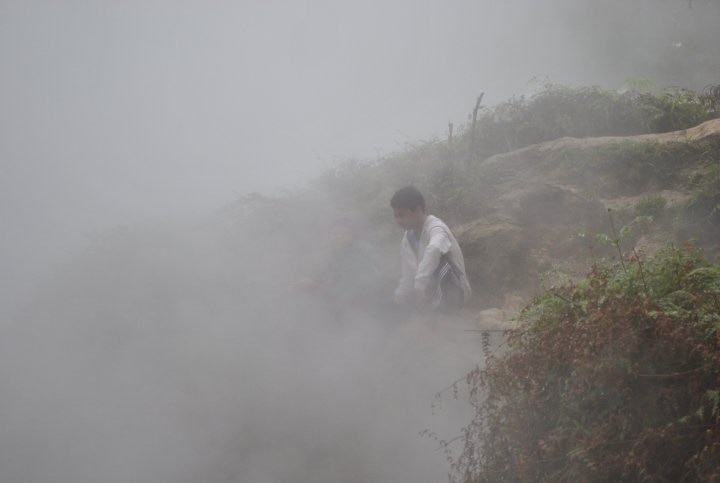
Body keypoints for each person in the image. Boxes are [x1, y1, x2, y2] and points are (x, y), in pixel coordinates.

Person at [390, 186, 471, 313]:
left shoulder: (436, 228)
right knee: (393, 302)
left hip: (453, 293)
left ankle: (444, 313)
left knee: (441, 263)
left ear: (417, 210)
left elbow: (435, 248)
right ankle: (426, 313)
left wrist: (420, 284)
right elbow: (408, 274)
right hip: (427, 294)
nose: (398, 221)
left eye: (402, 215)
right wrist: (400, 293)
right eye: (396, 216)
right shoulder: (407, 239)